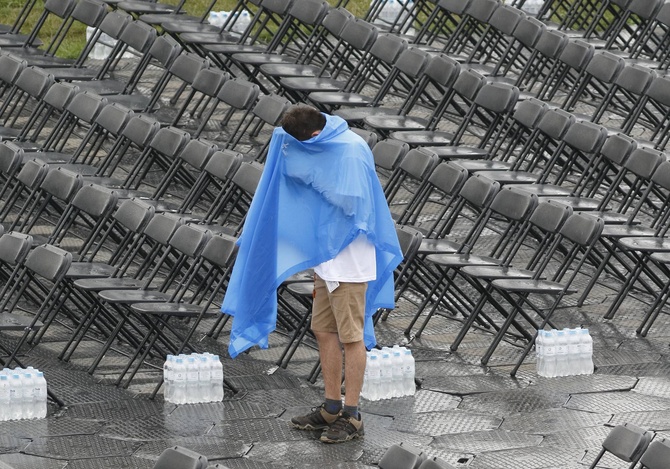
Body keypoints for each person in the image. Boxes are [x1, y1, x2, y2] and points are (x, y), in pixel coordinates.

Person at [221, 105, 402, 444]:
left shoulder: (348, 152)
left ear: (315, 137)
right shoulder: (327, 141)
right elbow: (283, 140)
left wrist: (310, 176)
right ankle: (331, 407)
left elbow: (351, 207)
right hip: (326, 259)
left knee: (352, 338)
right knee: (322, 330)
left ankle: (352, 415)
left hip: (348, 261)